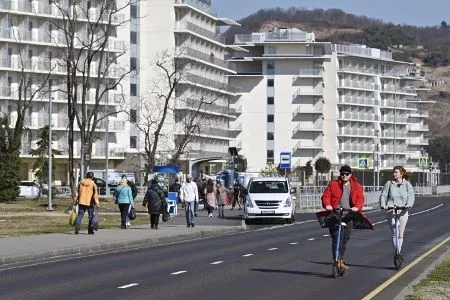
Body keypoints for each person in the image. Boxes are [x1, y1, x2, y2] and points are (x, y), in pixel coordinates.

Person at [321, 165, 364, 270]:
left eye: (346, 174)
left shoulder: (356, 186)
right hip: (335, 214)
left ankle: (340, 259)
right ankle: (336, 260)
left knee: (345, 239)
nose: (344, 176)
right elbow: (326, 196)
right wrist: (327, 205)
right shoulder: (333, 184)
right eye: (342, 174)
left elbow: (360, 199)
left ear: (350, 175)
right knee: (336, 238)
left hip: (349, 215)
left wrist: (356, 208)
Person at [379, 166, 415, 259]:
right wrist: (383, 204)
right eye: (394, 172)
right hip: (391, 210)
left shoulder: (407, 184)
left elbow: (411, 196)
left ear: (401, 174)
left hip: (403, 211)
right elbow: (383, 195)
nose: (394, 174)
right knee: (394, 233)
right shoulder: (389, 184)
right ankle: (397, 252)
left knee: (400, 234)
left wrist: (408, 205)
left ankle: (398, 252)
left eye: (396, 172)